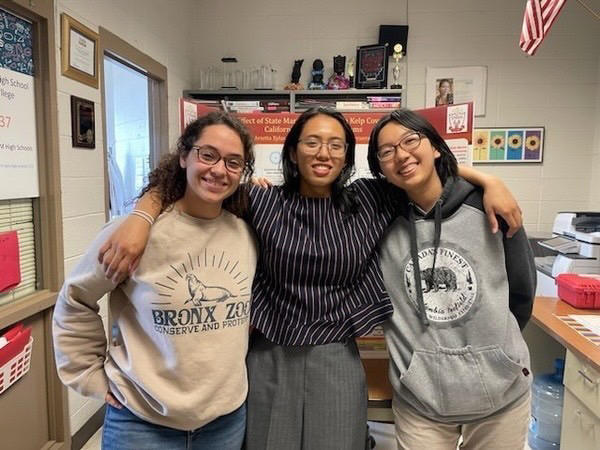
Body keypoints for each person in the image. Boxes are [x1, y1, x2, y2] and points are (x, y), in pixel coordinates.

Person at [97, 107, 523, 449]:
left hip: (336, 354)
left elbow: (423, 173)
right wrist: (141, 214)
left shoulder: (371, 200)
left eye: (336, 145)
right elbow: (194, 182)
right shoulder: (260, 201)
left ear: (347, 157)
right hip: (268, 354)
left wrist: (490, 180)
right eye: (312, 142)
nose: (324, 153)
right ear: (293, 151)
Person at [52, 111, 258, 450]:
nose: (219, 170)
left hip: (224, 422)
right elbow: (76, 297)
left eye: (234, 162)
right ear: (183, 156)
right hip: (142, 424)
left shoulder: (246, 235)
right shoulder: (133, 235)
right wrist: (88, 375)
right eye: (208, 155)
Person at [367, 109, 535, 450]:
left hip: (501, 396)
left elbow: (521, 293)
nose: (400, 155)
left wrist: (496, 357)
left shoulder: (490, 207)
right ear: (381, 168)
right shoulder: (377, 218)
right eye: (386, 152)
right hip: (421, 399)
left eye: (410, 140)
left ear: (436, 148)